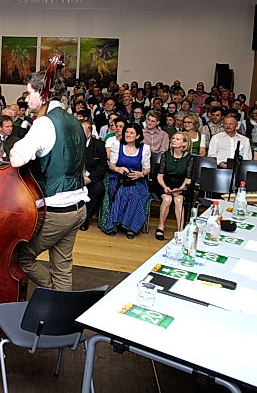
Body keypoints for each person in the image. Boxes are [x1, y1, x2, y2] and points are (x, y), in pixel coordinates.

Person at [9, 69, 87, 291]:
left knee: (21, 257)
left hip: (57, 211)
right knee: (62, 266)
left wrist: (21, 139)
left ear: (42, 93)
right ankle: (61, 304)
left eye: (29, 92)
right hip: (78, 208)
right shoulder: (74, 121)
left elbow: (17, 159)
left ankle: (54, 295)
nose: (26, 98)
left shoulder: (44, 124)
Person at [102, 123, 152, 239]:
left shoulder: (145, 148)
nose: (128, 135)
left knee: (135, 194)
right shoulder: (117, 145)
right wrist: (118, 169)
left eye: (131, 133)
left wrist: (141, 174)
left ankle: (130, 227)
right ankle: (116, 223)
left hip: (136, 179)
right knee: (122, 192)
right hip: (118, 178)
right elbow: (111, 165)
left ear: (138, 136)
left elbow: (147, 169)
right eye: (126, 132)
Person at [155, 131, 193, 240]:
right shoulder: (165, 155)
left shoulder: (189, 158)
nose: (173, 140)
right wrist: (165, 187)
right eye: (173, 138)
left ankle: (181, 230)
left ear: (184, 143)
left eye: (177, 139)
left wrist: (180, 189)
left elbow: (188, 180)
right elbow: (160, 176)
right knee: (167, 199)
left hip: (181, 186)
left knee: (179, 200)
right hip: (164, 184)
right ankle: (161, 226)